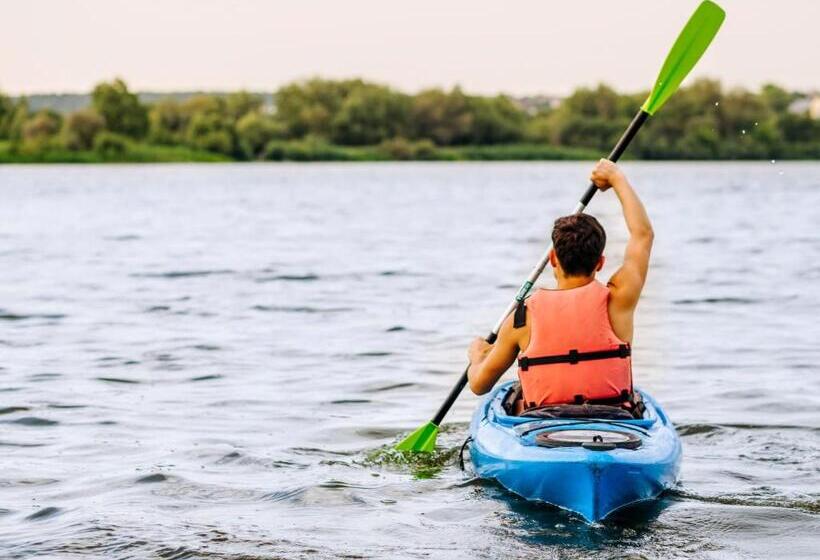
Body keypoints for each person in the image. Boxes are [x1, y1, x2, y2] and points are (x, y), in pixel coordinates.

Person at [466, 159, 653, 411]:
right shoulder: (619, 298)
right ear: (600, 262)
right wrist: (616, 177)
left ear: (553, 259)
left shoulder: (521, 318)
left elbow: (479, 385)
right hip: (615, 421)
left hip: (543, 429)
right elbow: (642, 235)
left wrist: (477, 356)